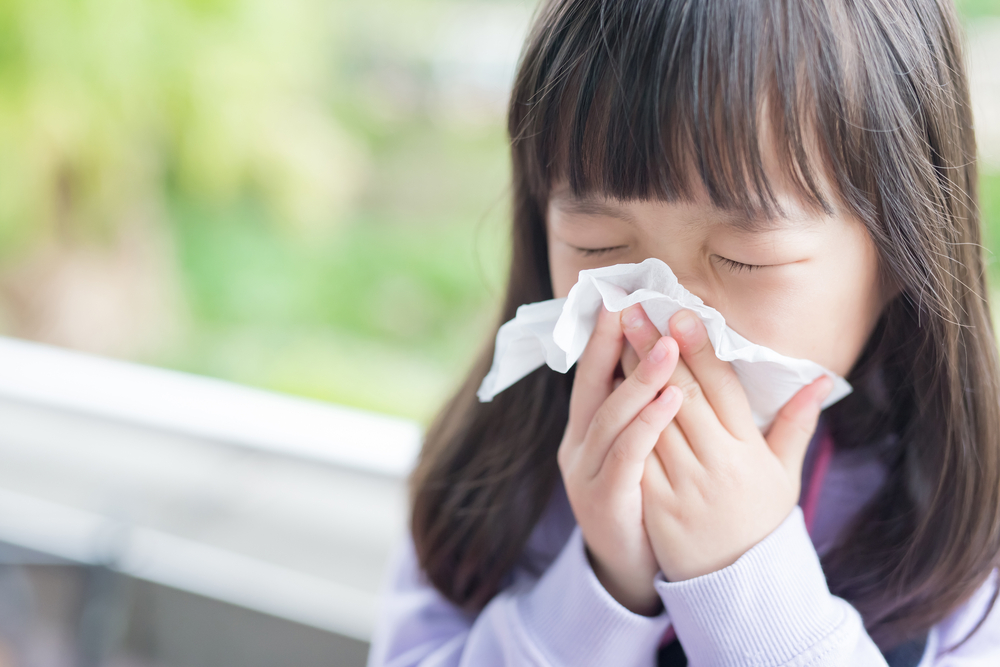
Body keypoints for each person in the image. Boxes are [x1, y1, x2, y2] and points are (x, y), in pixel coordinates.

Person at [366, 0, 1000, 664]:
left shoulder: (967, 527)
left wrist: (742, 576)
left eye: (744, 258)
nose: (667, 319)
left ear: (905, 250)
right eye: (597, 245)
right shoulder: (492, 472)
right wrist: (603, 586)